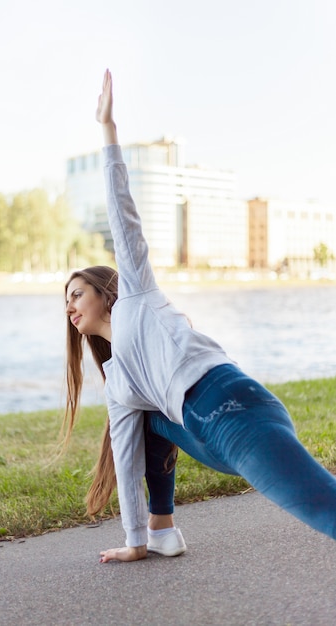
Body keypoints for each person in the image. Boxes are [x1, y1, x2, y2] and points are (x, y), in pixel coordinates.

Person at [64, 69, 336, 563]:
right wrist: (134, 542)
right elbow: (125, 461)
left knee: (325, 507)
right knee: (146, 424)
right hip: (208, 432)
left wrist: (108, 131)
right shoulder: (121, 381)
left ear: (107, 293)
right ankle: (162, 530)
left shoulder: (138, 298)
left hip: (234, 409)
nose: (70, 306)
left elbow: (122, 212)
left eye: (78, 293)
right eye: (66, 300)